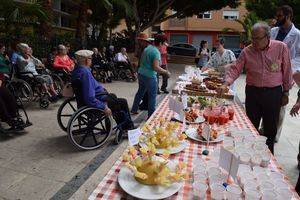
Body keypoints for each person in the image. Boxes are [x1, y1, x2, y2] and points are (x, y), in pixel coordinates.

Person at [217, 22, 293, 154]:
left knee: (270, 129)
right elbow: (236, 69)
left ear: (267, 37)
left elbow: (287, 71)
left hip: (273, 93)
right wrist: (226, 83)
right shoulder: (247, 51)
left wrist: (286, 92)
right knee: (251, 126)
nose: (254, 42)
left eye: (258, 38)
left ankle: (268, 158)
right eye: (253, 38)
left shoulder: (281, 48)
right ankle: (249, 155)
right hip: (253, 92)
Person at [71, 50, 134, 130]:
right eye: (90, 58)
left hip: (85, 100)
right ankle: (127, 128)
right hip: (96, 100)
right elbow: (90, 97)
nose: (91, 60)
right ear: (87, 60)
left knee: (113, 96)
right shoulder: (85, 73)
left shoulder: (76, 70)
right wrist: (104, 107)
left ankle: (110, 126)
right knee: (122, 102)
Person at [270, 5, 300, 142]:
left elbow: (299, 56)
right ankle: (265, 129)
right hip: (270, 71)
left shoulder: (297, 34)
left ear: (288, 16)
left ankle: (274, 135)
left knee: (281, 104)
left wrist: (289, 67)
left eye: (280, 16)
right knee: (268, 101)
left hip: (286, 73)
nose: (277, 18)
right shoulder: (273, 31)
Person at [131, 34, 171, 118]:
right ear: (160, 43)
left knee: (140, 92)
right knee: (152, 96)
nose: (164, 45)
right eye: (164, 43)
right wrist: (166, 72)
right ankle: (151, 116)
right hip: (149, 76)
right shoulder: (156, 52)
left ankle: (134, 109)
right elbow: (156, 67)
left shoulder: (148, 48)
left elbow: (142, 61)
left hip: (141, 74)